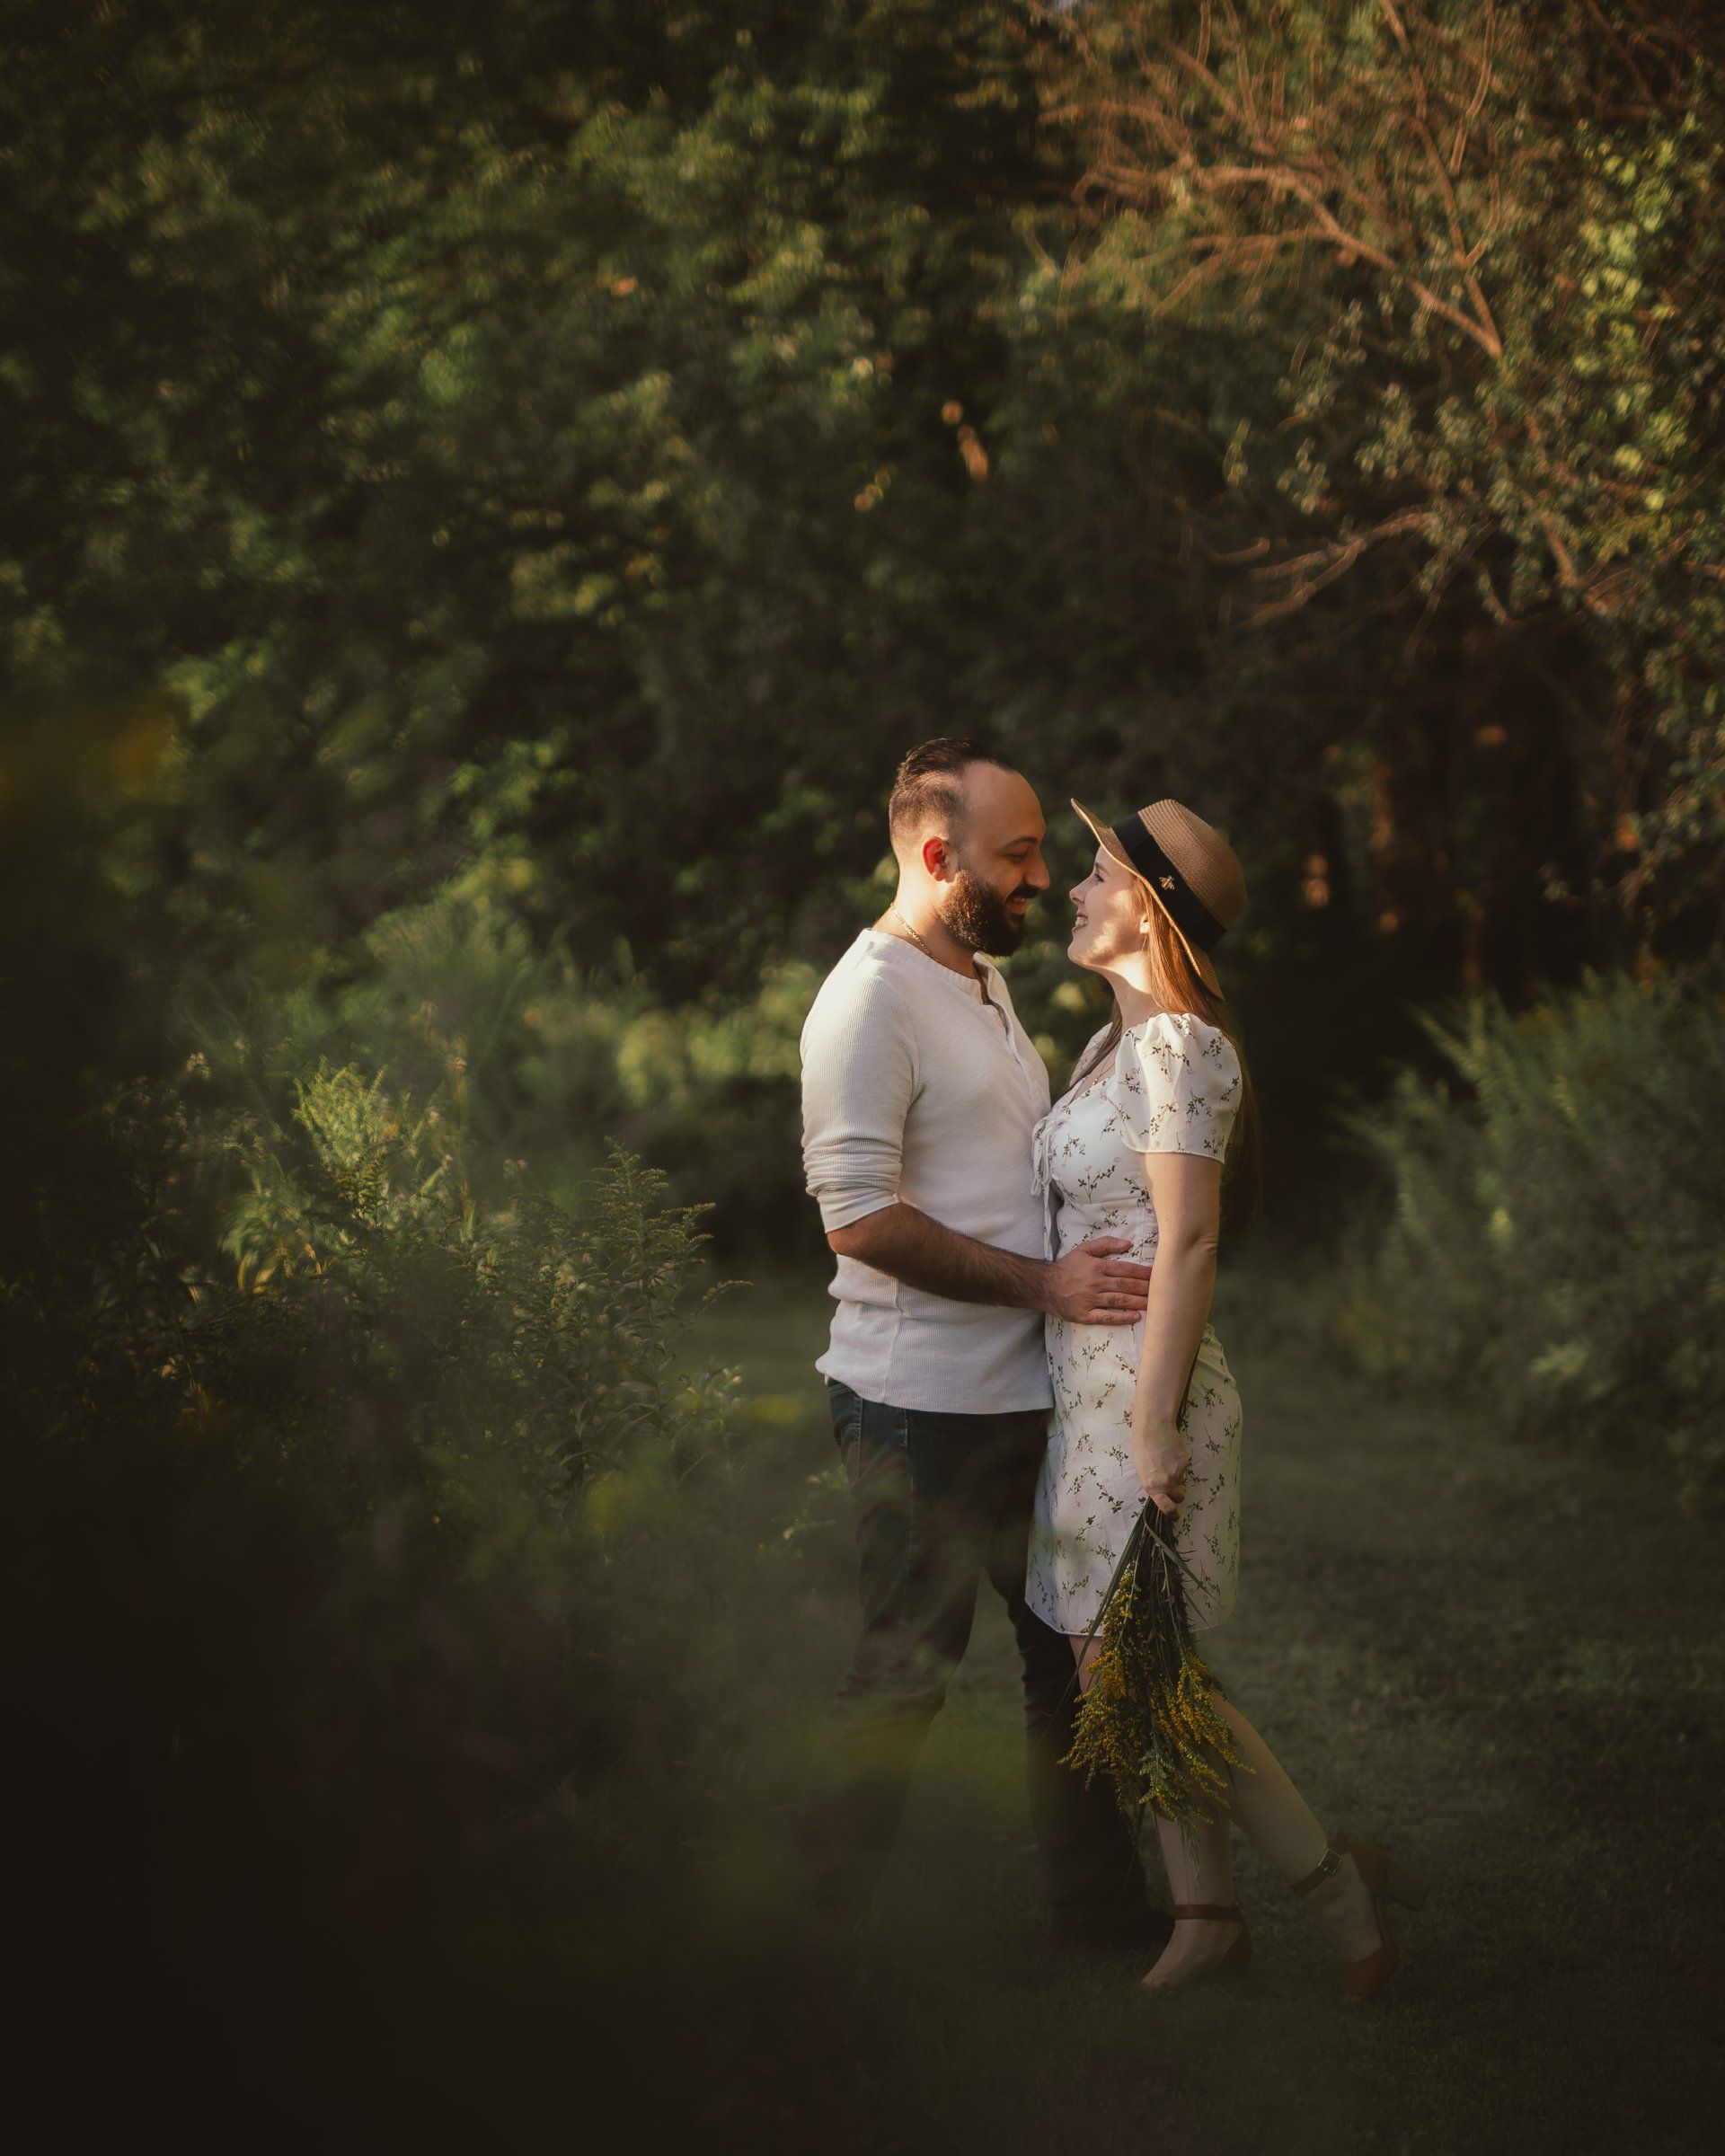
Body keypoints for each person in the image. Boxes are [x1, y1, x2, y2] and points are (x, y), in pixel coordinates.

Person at [1025, 795, 1430, 1998]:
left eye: (1098, 873)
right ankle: (1206, 1913)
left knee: (1144, 1673)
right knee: (1126, 1665)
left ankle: (1334, 1894)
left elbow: (1191, 1239)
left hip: (1144, 1392)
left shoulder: (1180, 1049)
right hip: (1087, 1393)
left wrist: (1153, 1420)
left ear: (1151, 908)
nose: (1075, 890)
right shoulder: (1108, 1049)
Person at [795, 739, 1169, 1947]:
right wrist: (1046, 1286)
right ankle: (805, 1939)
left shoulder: (979, 980)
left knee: (1065, 1660)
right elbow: (858, 1220)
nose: (1041, 878)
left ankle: (1102, 1922)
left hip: (1021, 1395)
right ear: (937, 855)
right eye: (1018, 855)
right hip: (917, 1407)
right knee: (905, 1669)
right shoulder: (868, 1002)